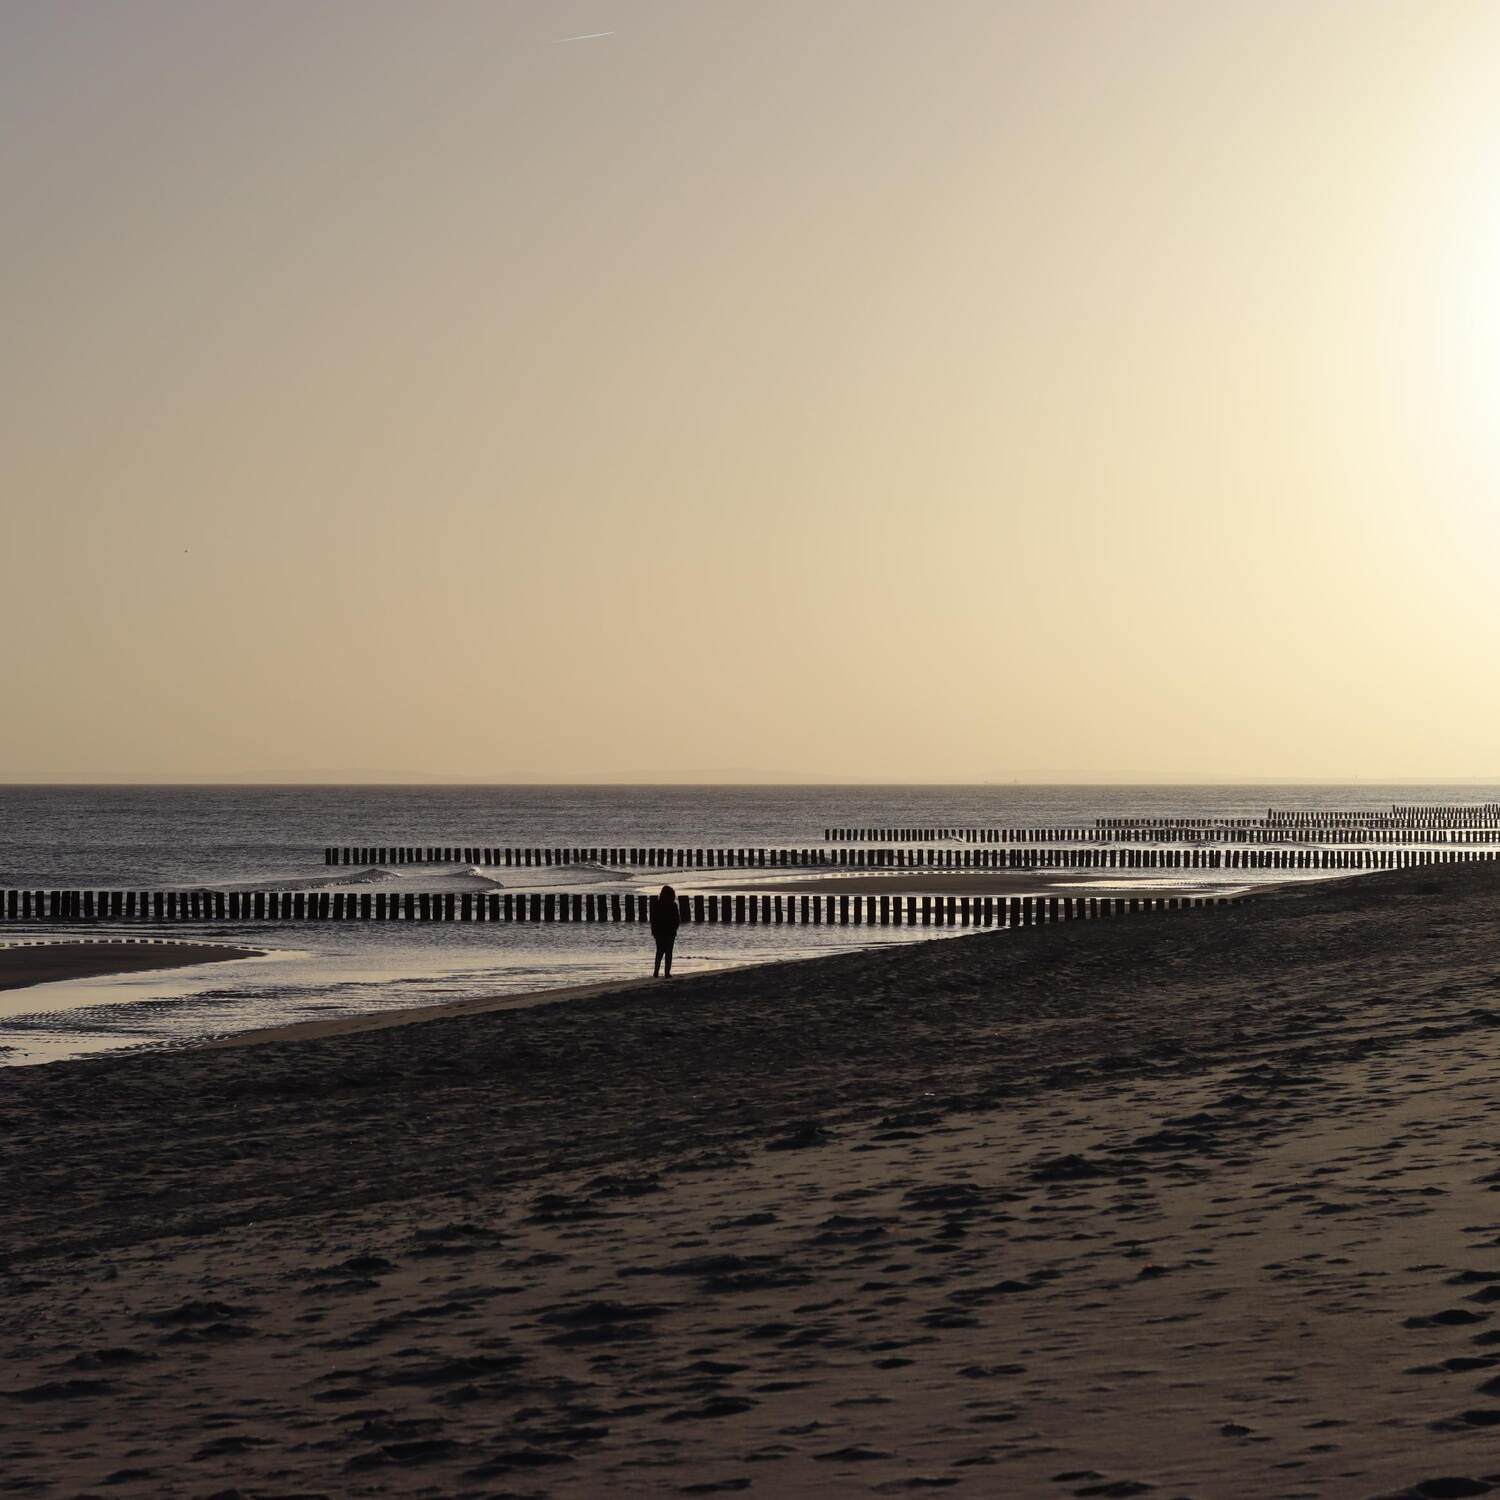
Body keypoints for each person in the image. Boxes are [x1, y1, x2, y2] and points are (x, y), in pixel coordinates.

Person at [651, 883, 680, 978]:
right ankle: (667, 972)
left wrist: (653, 931)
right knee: (668, 952)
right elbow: (677, 919)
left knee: (659, 952)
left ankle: (656, 972)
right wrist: (675, 928)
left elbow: (653, 919)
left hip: (659, 932)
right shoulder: (673, 905)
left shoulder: (657, 904)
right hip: (670, 932)